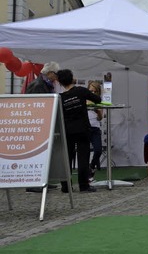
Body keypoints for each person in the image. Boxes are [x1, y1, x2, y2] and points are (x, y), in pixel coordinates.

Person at [58, 69, 102, 193]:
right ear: (72, 78)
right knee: (83, 157)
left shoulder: (60, 98)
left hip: (67, 130)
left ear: (60, 83)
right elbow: (97, 99)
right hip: (82, 129)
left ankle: (66, 186)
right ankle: (84, 185)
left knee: (67, 158)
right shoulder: (81, 91)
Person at [24, 61, 62, 193]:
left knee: (45, 154)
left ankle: (43, 180)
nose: (57, 77)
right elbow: (35, 106)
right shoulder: (38, 85)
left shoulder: (46, 83)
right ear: (50, 73)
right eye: (56, 74)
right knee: (36, 154)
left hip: (43, 124)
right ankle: (33, 183)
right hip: (36, 125)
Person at [87, 81, 103, 177]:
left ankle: (92, 166)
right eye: (91, 91)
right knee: (85, 152)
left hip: (95, 127)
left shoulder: (99, 101)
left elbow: (100, 118)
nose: (92, 93)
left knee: (98, 150)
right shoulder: (84, 99)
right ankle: (86, 173)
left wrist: (98, 111)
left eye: (95, 91)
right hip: (85, 128)